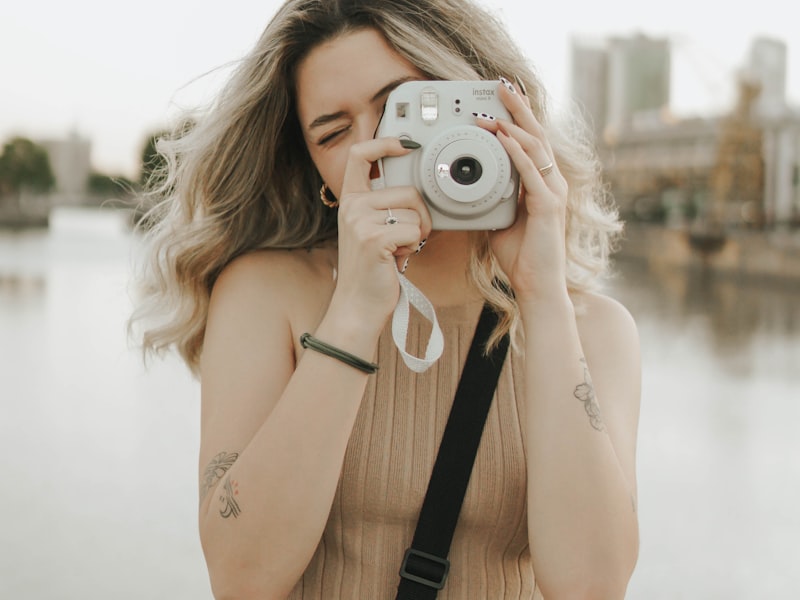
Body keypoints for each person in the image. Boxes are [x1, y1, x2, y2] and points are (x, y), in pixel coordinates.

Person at [130, 0, 641, 598]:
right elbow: (241, 579)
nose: (381, 145)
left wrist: (543, 295)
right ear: (318, 171)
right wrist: (354, 313)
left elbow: (592, 587)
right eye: (335, 132)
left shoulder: (593, 328)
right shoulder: (266, 295)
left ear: (489, 105)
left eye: (407, 107)